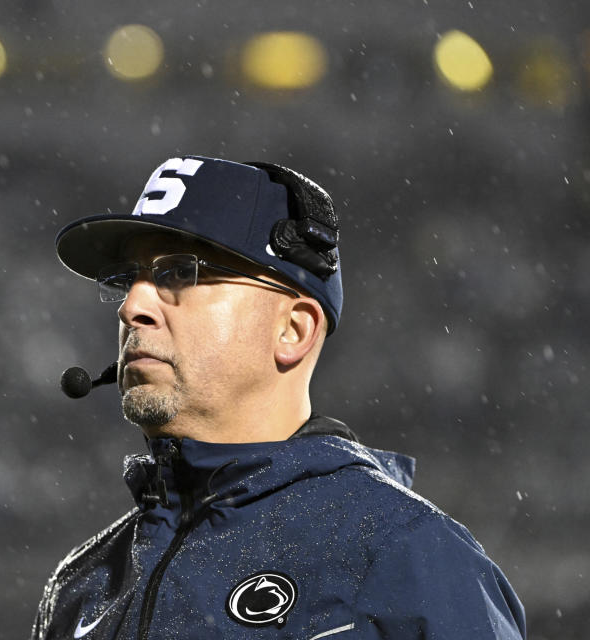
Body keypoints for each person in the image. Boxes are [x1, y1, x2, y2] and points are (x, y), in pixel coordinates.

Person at [30, 156, 526, 639]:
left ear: (293, 329)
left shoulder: (408, 555)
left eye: (179, 272)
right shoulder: (81, 584)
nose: (132, 306)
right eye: (127, 279)